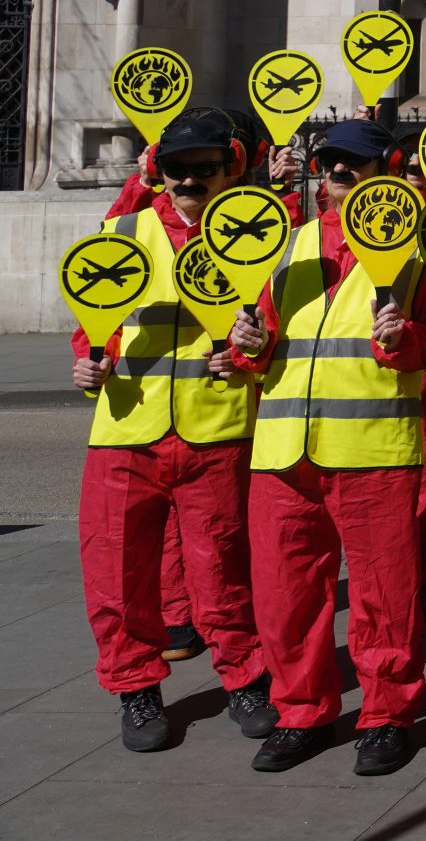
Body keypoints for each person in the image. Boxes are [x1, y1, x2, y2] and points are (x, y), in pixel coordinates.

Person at [223, 118, 426, 775]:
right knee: (286, 596)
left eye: (354, 162)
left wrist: (405, 335)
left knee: (384, 596)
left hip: (373, 448)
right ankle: (301, 711)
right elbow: (252, 344)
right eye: (332, 162)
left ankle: (386, 715)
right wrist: (247, 347)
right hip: (285, 453)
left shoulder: (418, 253)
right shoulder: (283, 246)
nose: (341, 172)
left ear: (384, 169)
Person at [73, 107, 273, 754]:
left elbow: (274, 322)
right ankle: (135, 688)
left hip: (215, 428)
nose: (189, 183)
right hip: (126, 429)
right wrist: (87, 357)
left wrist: (246, 352)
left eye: (203, 171)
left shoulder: (253, 232)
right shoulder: (125, 228)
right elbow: (91, 313)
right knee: (118, 570)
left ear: (228, 170)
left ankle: (245, 676)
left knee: (223, 568)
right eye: (178, 172)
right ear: (160, 173)